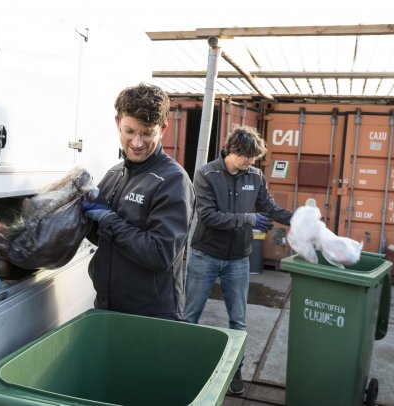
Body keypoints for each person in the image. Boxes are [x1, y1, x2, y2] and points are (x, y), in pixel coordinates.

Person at [184, 126, 292, 395]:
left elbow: (268, 206)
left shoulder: (254, 176)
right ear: (233, 151)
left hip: (238, 260)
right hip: (205, 255)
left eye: (255, 158)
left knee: (238, 321)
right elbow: (207, 216)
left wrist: (296, 219)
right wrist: (248, 219)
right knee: (190, 316)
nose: (252, 162)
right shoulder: (205, 174)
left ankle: (235, 372)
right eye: (248, 157)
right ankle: (182, 368)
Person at [82, 83, 195, 321]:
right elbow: (102, 237)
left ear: (162, 129)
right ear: (117, 123)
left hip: (150, 314)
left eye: (146, 133)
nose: (136, 142)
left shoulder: (172, 180)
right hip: (108, 304)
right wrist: (80, 214)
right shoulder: (115, 174)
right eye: (130, 131)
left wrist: (109, 220)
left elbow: (160, 253)